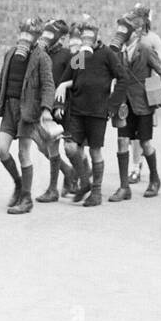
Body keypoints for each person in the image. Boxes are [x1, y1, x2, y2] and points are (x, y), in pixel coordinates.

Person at [0, 16, 62, 215]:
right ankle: (18, 183)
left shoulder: (41, 57)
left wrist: (46, 109)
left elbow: (48, 85)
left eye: (30, 34)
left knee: (24, 153)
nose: (25, 37)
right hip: (9, 109)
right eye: (23, 32)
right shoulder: (10, 53)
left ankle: (26, 198)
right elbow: (2, 79)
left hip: (27, 110)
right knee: (1, 149)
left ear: (36, 37)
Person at [56, 18, 126, 207]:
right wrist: (63, 86)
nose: (86, 40)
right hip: (77, 111)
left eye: (89, 37)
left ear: (97, 37)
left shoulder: (107, 55)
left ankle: (96, 192)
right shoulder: (81, 56)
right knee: (71, 148)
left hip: (97, 112)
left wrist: (112, 105)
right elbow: (70, 76)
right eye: (83, 36)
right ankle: (84, 181)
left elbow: (123, 78)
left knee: (95, 151)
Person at [109, 13, 161, 200]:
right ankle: (124, 187)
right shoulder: (117, 51)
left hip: (143, 104)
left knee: (145, 143)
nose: (121, 33)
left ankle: (154, 179)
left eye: (126, 29)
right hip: (123, 104)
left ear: (136, 32)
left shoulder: (145, 50)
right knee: (122, 141)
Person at [35, 19, 77, 203]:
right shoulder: (40, 54)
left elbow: (84, 75)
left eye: (51, 34)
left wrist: (65, 86)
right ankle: (63, 179)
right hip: (46, 106)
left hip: (67, 107)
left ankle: (79, 175)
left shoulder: (71, 54)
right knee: (46, 146)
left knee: (72, 149)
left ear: (61, 37)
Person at [124, 3, 161, 183]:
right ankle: (135, 166)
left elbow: (159, 67)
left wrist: (157, 94)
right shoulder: (128, 39)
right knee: (130, 135)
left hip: (146, 91)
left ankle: (140, 166)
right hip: (129, 92)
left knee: (143, 136)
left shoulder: (154, 39)